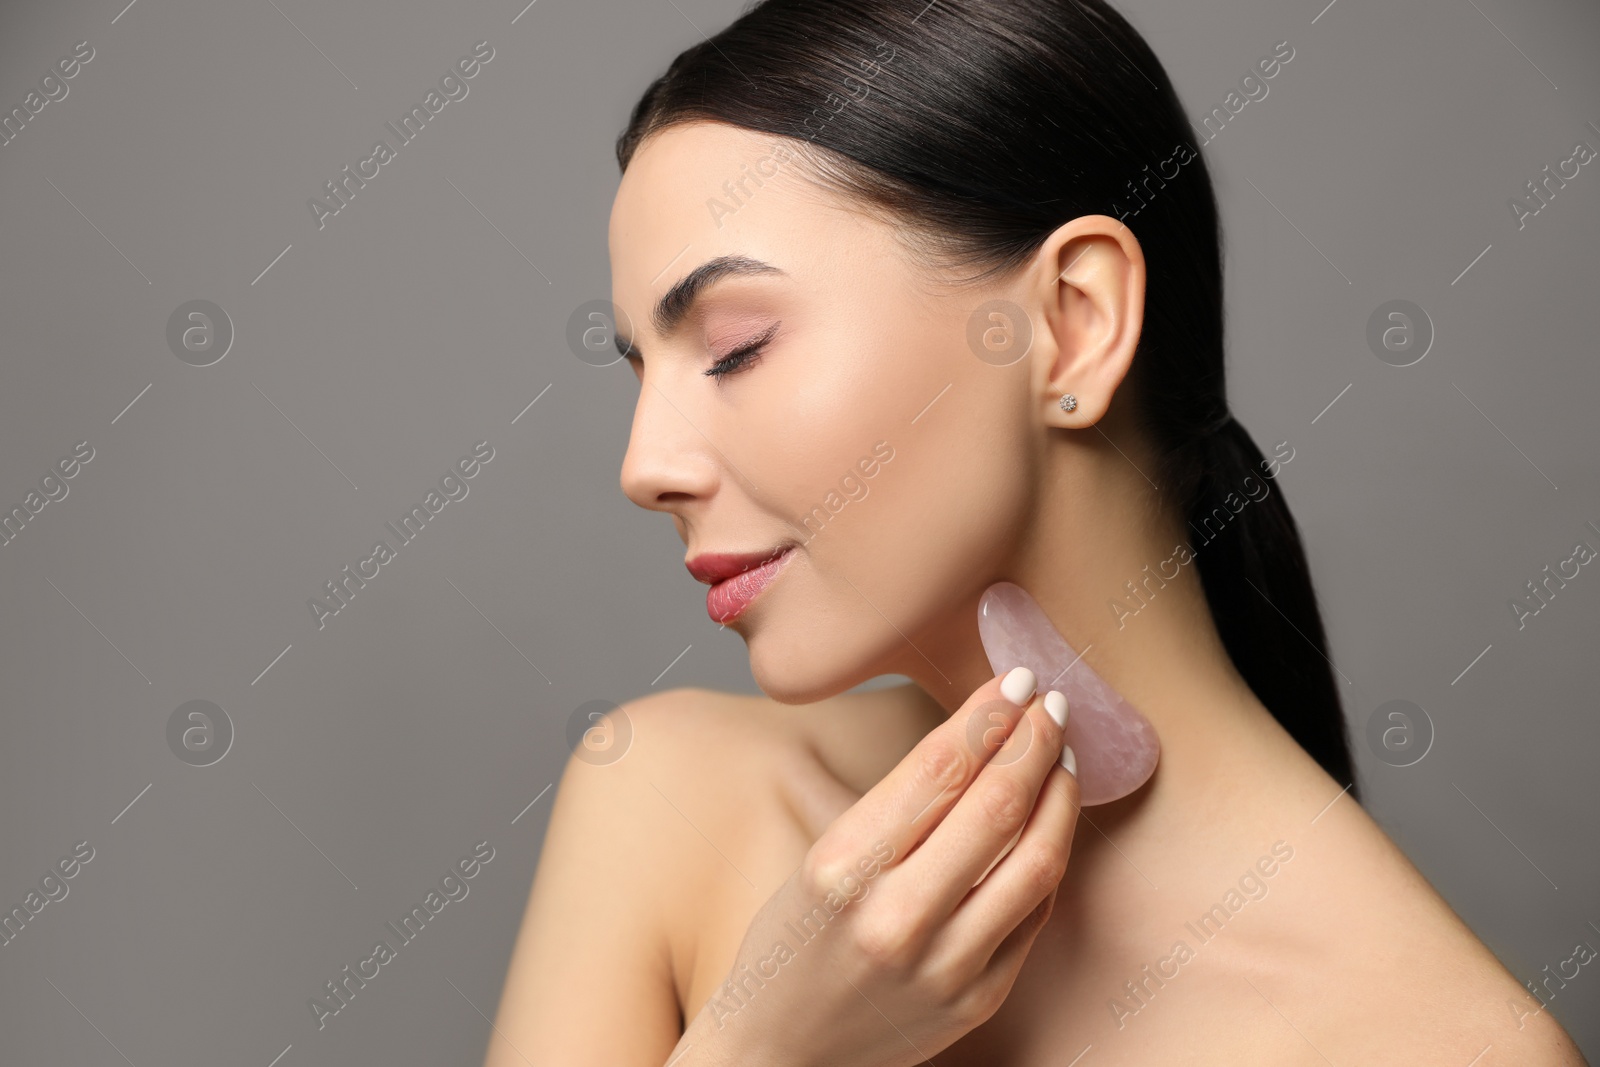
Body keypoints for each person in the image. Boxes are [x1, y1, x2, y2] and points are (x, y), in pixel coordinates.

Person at [485, 1, 1587, 1062]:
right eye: (643, 371)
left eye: (733, 348)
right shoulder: (665, 802)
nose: (644, 467)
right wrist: (761, 1048)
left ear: (1071, 326)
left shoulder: (1436, 1046)